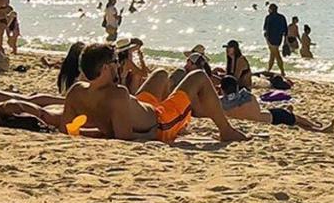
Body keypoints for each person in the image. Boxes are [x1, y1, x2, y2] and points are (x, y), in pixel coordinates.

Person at [61, 43, 247, 143]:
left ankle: (185, 115)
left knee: (160, 74)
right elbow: (124, 138)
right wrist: (151, 134)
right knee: (198, 76)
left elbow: (66, 128)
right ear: (105, 68)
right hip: (161, 122)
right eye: (115, 62)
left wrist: (88, 132)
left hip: (141, 105)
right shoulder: (116, 95)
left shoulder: (76, 91)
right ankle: (226, 130)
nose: (118, 65)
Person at [218, 76, 331, 132]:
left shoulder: (220, 104)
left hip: (263, 117)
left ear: (222, 89)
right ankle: (316, 127)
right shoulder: (247, 97)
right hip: (270, 118)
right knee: (295, 119)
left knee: (286, 114)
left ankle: (288, 110)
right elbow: (257, 109)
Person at [263, 3, 288, 75]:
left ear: (271, 9)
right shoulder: (282, 17)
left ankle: (282, 71)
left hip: (271, 39)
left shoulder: (268, 17)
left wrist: (267, 40)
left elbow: (266, 29)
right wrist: (285, 41)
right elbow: (285, 31)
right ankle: (269, 69)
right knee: (272, 54)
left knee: (276, 54)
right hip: (279, 39)